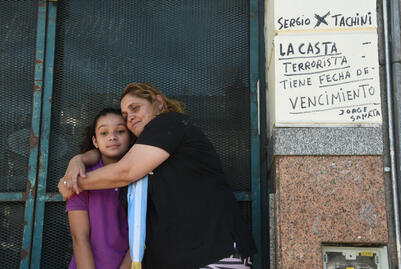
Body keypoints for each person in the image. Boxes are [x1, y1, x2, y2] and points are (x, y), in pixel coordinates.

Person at [58, 82, 256, 269]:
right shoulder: (145, 152)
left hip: (214, 252)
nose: (130, 118)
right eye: (126, 115)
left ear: (159, 103)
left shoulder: (169, 123)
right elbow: (113, 158)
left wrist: (73, 183)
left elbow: (125, 171)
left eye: (135, 108)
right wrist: (79, 160)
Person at [65, 108, 132, 269]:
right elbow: (79, 237)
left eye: (120, 131)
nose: (112, 137)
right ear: (95, 141)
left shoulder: (143, 178)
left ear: (130, 137)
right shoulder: (81, 178)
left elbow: (144, 237)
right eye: (104, 133)